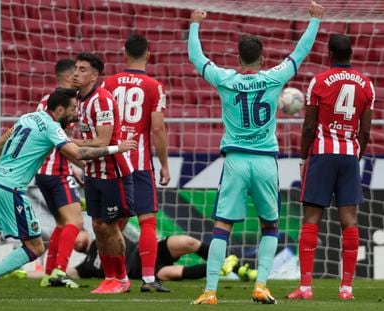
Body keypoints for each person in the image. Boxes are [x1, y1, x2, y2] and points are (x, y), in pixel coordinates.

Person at [188, 1, 324, 305]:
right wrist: (314, 21)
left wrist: (195, 24)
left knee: (223, 226)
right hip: (265, 162)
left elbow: (196, 58)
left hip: (235, 161)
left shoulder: (226, 79)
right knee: (270, 225)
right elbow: (299, 53)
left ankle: (210, 291)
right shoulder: (274, 77)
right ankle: (261, 285)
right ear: (262, 59)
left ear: (237, 58)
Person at [0, 89, 137, 298]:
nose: (75, 114)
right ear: (59, 110)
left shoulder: (27, 117)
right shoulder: (51, 127)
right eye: (73, 109)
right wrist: (116, 148)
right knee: (35, 248)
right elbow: (79, 153)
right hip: (10, 189)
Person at [286, 34, 374, 301]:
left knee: (312, 219)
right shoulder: (367, 85)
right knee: (349, 220)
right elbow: (366, 129)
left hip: (323, 155)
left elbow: (310, 126)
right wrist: (355, 156)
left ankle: (305, 286)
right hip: (349, 156)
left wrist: (303, 159)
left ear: (329, 54)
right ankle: (346, 289)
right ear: (351, 52)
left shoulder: (319, 81)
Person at [102, 34, 170, 292]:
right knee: (147, 220)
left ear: (124, 53)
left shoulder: (108, 83)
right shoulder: (154, 86)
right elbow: (158, 128)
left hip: (113, 159)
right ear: (149, 54)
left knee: (111, 223)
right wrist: (163, 164)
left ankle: (114, 276)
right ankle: (149, 279)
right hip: (139, 162)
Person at [72, 52, 135, 294]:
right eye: (76, 68)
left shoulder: (103, 100)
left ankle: (122, 278)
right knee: (97, 225)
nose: (76, 73)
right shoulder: (79, 99)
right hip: (93, 171)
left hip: (112, 171)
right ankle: (109, 277)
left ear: (95, 75)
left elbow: (102, 141)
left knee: (111, 227)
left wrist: (67, 143)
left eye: (83, 69)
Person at [35, 59, 84, 289]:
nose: (77, 77)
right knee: (75, 221)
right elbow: (61, 142)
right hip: (56, 171)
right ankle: (60, 272)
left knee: (62, 222)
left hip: (44, 172)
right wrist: (79, 164)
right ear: (66, 77)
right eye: (75, 73)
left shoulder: (47, 101)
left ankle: (48, 273)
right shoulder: (63, 105)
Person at [68, 229, 212, 282]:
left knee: (187, 242)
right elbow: (65, 274)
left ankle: (227, 261)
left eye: (74, 234)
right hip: (139, 271)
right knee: (171, 273)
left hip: (143, 251)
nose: (73, 241)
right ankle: (220, 267)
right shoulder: (84, 267)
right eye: (69, 241)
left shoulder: (107, 233)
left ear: (85, 231)